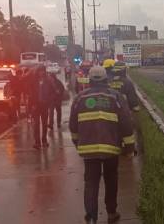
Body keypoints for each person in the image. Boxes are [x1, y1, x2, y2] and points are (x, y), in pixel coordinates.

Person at [69, 66, 135, 224]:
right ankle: (111, 213)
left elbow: (73, 125)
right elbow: (126, 123)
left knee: (91, 181)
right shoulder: (116, 97)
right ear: (106, 79)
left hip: (88, 149)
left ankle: (91, 216)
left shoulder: (80, 98)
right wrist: (129, 148)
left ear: (90, 80)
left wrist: (78, 143)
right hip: (111, 148)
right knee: (111, 180)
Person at [27, 65, 57, 149]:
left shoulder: (49, 81)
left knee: (44, 124)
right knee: (36, 124)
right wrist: (31, 105)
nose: (41, 73)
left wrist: (49, 100)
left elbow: (54, 92)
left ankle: (44, 140)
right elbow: (31, 94)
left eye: (42, 71)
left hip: (45, 105)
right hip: (36, 105)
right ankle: (37, 142)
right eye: (40, 71)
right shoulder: (33, 81)